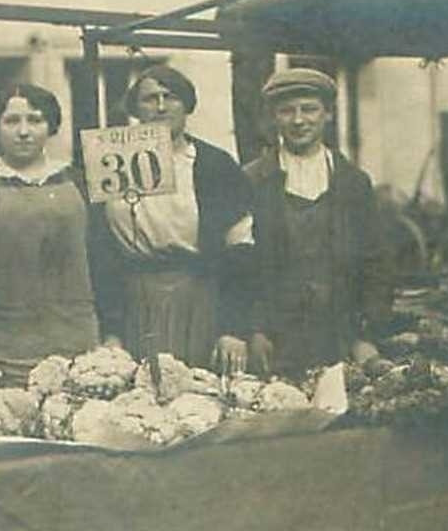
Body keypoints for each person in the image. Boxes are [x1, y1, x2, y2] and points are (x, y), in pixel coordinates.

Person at [94, 64, 255, 373]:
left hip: (198, 296)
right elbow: (100, 249)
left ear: (187, 104)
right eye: (149, 98)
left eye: (171, 97)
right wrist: (110, 328)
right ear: (135, 108)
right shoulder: (110, 161)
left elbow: (241, 249)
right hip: (134, 299)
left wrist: (233, 328)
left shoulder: (214, 165)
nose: (160, 106)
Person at [0, 83, 107, 384]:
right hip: (7, 347)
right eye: (11, 121)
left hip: (82, 342)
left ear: (51, 126)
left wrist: (112, 334)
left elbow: (104, 261)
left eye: (35, 120)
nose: (23, 131)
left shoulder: (80, 181)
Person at [240, 68, 393, 377]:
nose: (298, 120)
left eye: (309, 109)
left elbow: (375, 262)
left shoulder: (353, 182)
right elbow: (242, 266)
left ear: (328, 114)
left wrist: (365, 334)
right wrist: (254, 330)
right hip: (275, 340)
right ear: (273, 117)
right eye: (287, 111)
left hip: (340, 336)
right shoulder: (252, 180)